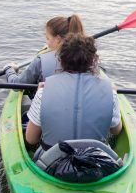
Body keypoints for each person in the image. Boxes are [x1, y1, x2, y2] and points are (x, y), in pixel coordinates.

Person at [24, 32, 123, 161]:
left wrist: (39, 95)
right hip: (95, 162)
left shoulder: (43, 92)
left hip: (51, 163)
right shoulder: (109, 91)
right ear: (93, 60)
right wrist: (112, 95)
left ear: (61, 60)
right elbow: (116, 130)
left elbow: (31, 139)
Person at [4, 14, 82, 90]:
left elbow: (17, 84)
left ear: (58, 39)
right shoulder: (87, 59)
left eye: (47, 38)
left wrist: (9, 69)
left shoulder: (40, 61)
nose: (47, 43)